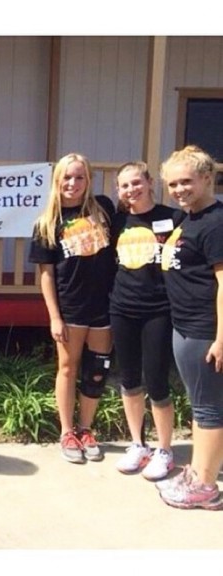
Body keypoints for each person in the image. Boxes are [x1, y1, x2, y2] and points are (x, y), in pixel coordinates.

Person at [29, 153, 116, 463]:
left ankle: (85, 428)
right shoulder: (47, 223)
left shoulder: (103, 208)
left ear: (88, 180)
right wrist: (55, 316)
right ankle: (67, 431)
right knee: (68, 368)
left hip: (105, 306)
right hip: (71, 307)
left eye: (79, 177)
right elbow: (46, 275)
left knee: (96, 371)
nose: (73, 183)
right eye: (67, 177)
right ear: (57, 181)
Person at [158, 145, 223, 509]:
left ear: (206, 178)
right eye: (172, 183)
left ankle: (207, 488)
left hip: (204, 331)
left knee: (210, 408)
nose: (179, 189)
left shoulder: (215, 222)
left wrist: (222, 338)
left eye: (186, 181)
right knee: (200, 406)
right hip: (185, 326)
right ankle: (198, 472)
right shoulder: (190, 217)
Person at [110, 162, 184, 480]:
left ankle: (164, 450)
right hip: (122, 307)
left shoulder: (174, 217)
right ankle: (138, 444)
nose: (131, 190)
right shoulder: (117, 221)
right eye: (125, 186)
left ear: (150, 182)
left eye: (136, 183)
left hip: (159, 310)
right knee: (128, 379)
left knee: (156, 381)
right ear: (119, 191)